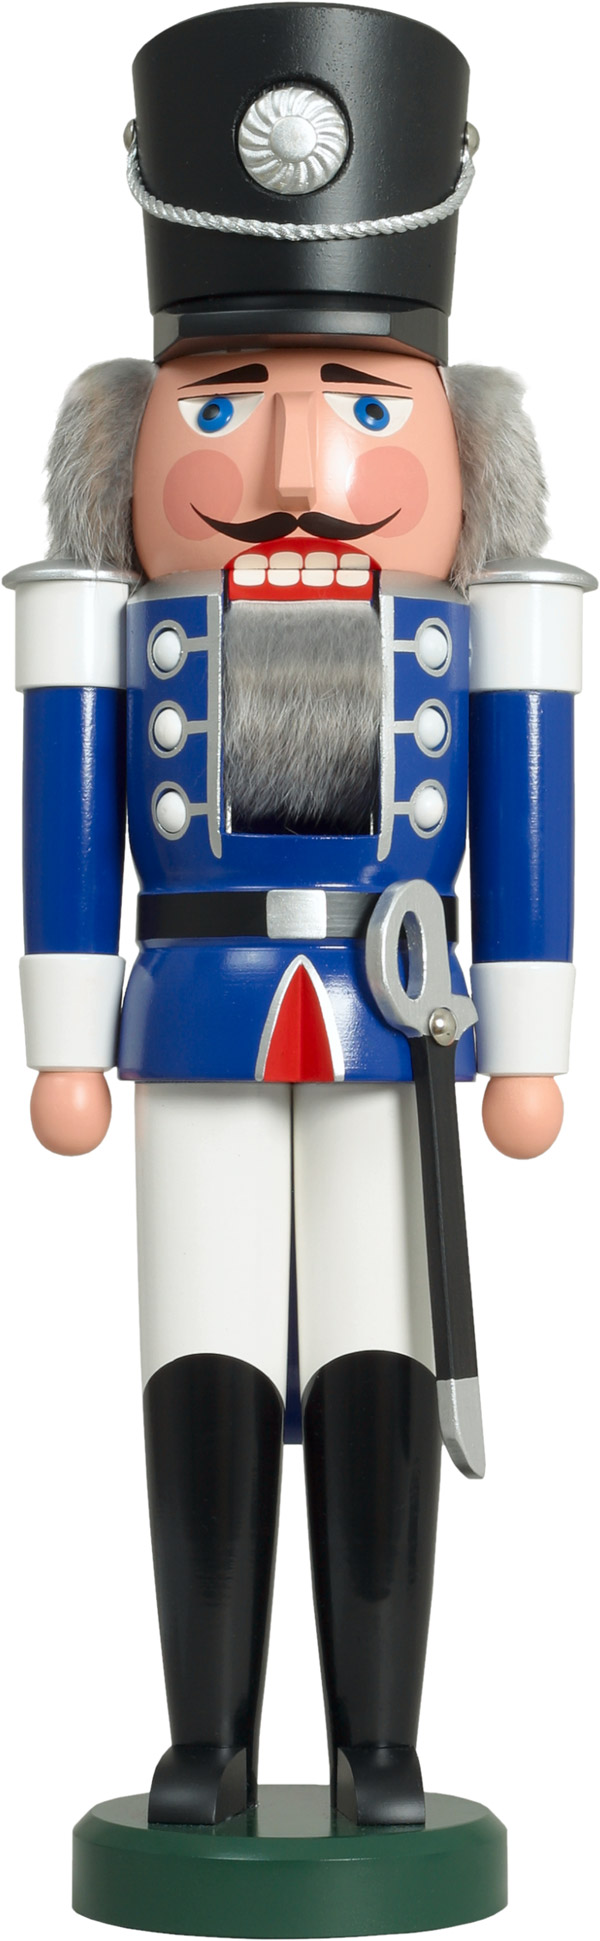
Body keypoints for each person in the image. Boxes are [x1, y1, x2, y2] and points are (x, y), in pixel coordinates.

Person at [6, 6, 592, 1843]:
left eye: (363, 402)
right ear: (124, 439)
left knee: (374, 1351)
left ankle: (378, 1740)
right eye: (219, 399)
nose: (293, 469)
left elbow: (532, 840)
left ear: (463, 448)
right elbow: (60, 837)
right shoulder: (105, 632)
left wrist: (528, 1046)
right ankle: (204, 1729)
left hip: (387, 1019)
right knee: (198, 1345)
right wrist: (63, 1039)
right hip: (191, 1013)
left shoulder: (488, 636)